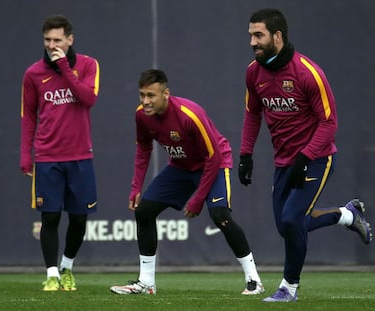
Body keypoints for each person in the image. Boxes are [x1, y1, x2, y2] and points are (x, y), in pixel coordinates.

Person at [238, 8, 372, 302]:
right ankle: (347, 215)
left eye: (258, 35)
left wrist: (305, 157)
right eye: (250, 35)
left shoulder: (308, 73)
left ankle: (289, 288)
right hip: (284, 162)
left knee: (291, 220)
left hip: (317, 158)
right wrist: (245, 155)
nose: (252, 42)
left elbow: (329, 123)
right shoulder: (253, 72)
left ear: (277, 36)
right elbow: (252, 114)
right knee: (287, 227)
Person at [110, 69, 264, 295]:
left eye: (151, 95)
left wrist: (198, 200)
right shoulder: (141, 115)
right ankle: (146, 283)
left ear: (166, 94)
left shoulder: (189, 115)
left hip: (214, 164)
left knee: (220, 215)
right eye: (142, 95)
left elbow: (213, 157)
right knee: (143, 212)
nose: (145, 101)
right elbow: (143, 149)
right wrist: (136, 187)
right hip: (181, 166)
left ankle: (254, 280)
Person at [20, 15, 100, 291]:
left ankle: (67, 267)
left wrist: (65, 67)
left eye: (57, 40)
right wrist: (25, 154)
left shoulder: (89, 65)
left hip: (80, 156)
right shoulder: (33, 74)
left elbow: (88, 99)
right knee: (50, 217)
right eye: (47, 40)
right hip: (47, 157)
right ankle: (52, 274)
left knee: (79, 218)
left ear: (69, 40)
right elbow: (28, 116)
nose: (51, 45)